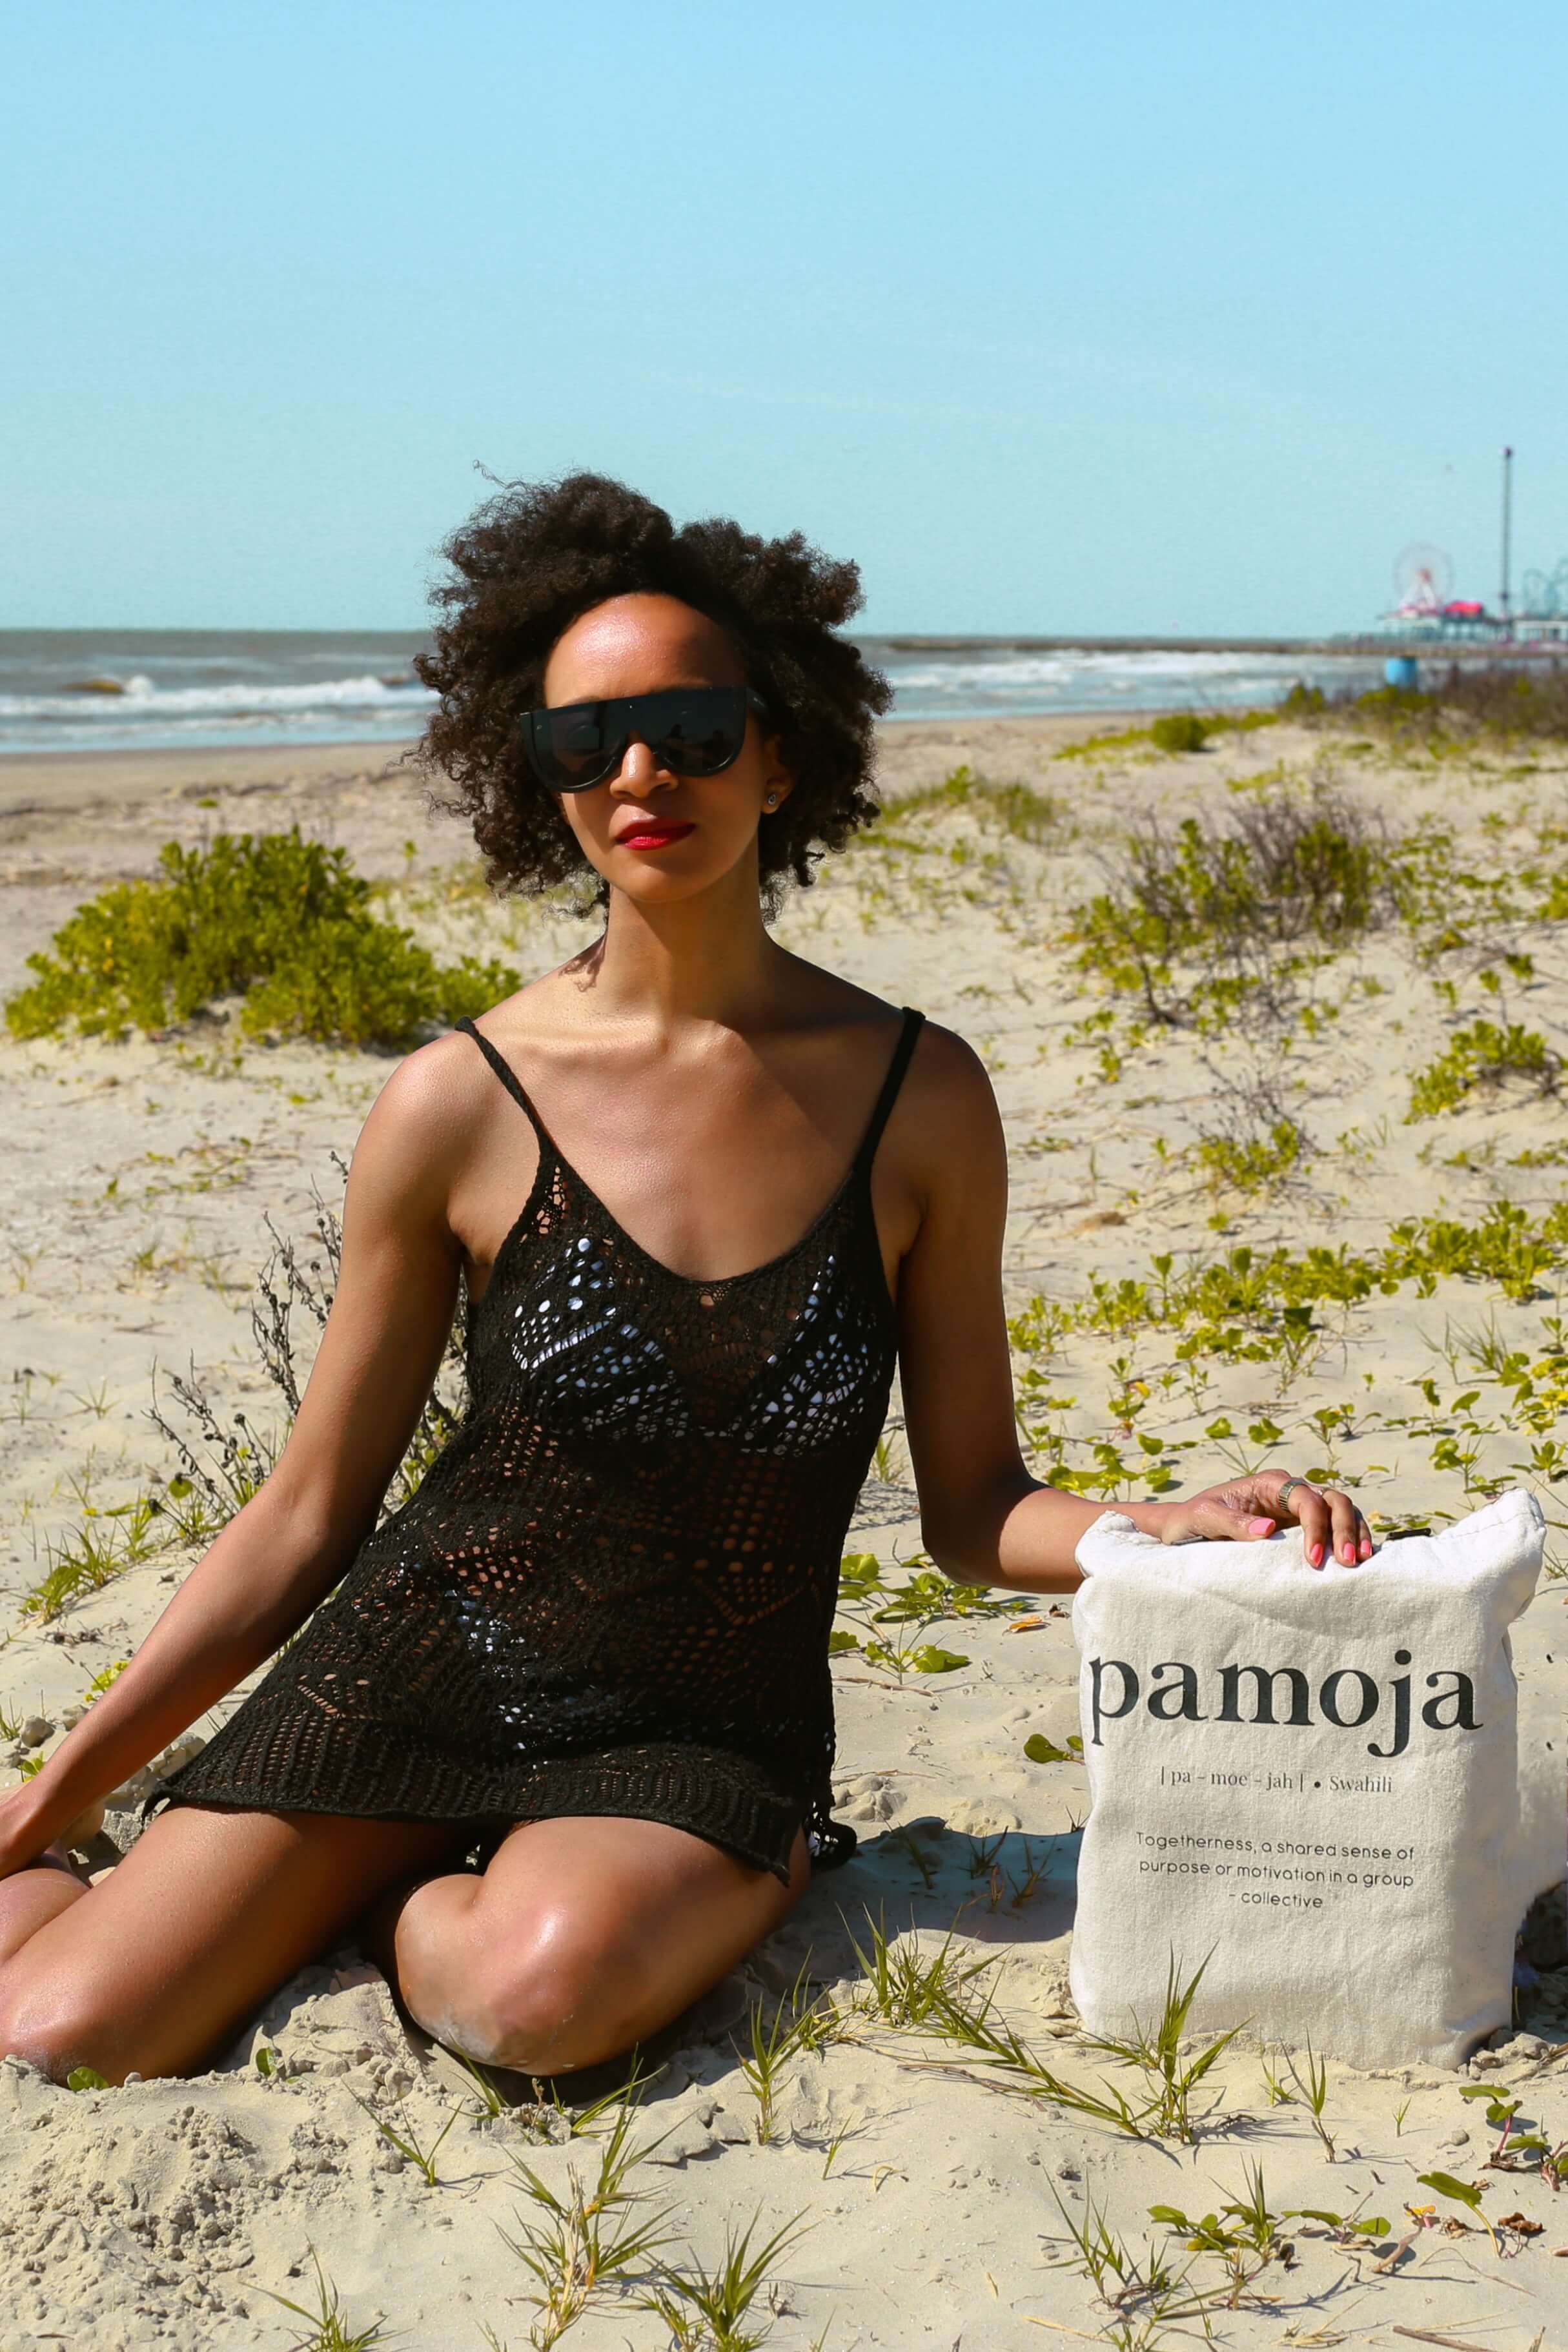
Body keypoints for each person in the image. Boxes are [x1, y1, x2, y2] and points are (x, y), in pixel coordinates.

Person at [0, 476, 1370, 2086]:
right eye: (584, 742)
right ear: (541, 784)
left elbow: (974, 1503)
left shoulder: (919, 1095)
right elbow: (309, 1512)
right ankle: (176, 1881)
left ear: (781, 754)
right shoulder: (457, 1101)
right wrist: (57, 1794)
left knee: (536, 1999)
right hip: (426, 1662)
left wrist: (1161, 1531)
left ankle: (377, 1900)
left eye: (691, 730)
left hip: (700, 1730)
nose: (640, 773)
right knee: (63, 2032)